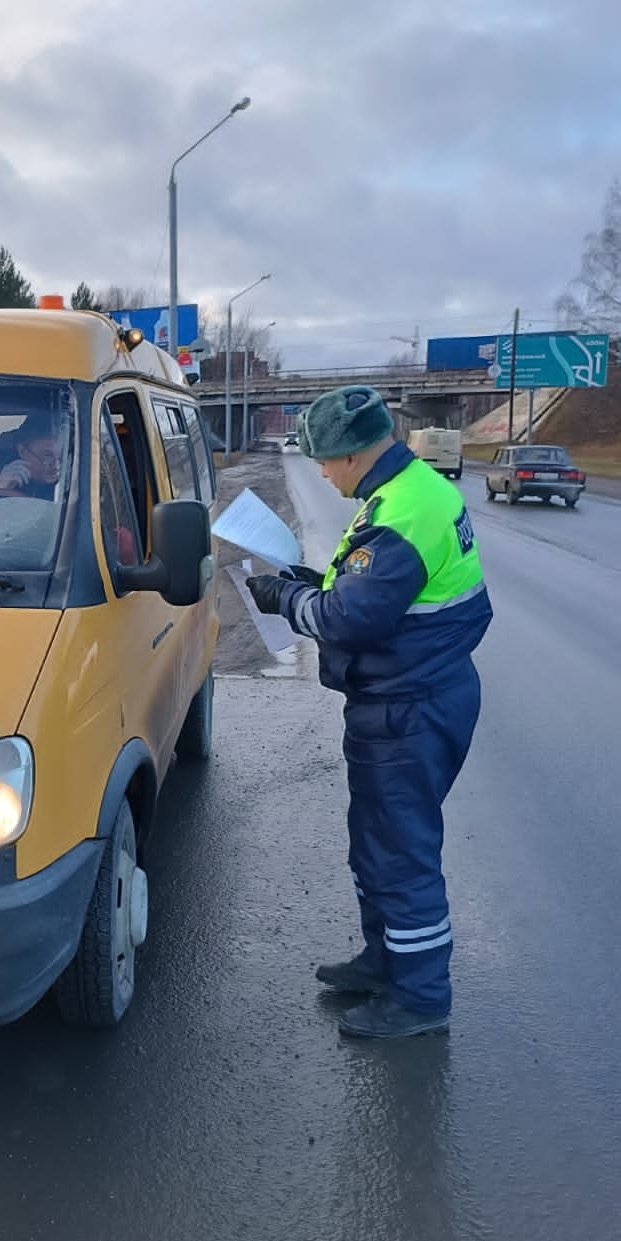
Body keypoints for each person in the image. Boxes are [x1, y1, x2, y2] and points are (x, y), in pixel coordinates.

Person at [246, 387, 491, 1039]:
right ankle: (385, 960)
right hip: (415, 693)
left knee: (401, 849)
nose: (322, 474)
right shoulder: (409, 492)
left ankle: (418, 998)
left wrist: (285, 598)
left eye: (326, 462)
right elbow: (364, 590)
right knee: (379, 840)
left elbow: (349, 619)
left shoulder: (402, 514)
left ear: (354, 455)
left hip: (410, 707)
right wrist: (313, 581)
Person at [0, 417, 64, 501]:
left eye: (62, 455)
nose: (57, 464)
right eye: (47, 455)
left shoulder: (73, 480)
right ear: (23, 451)